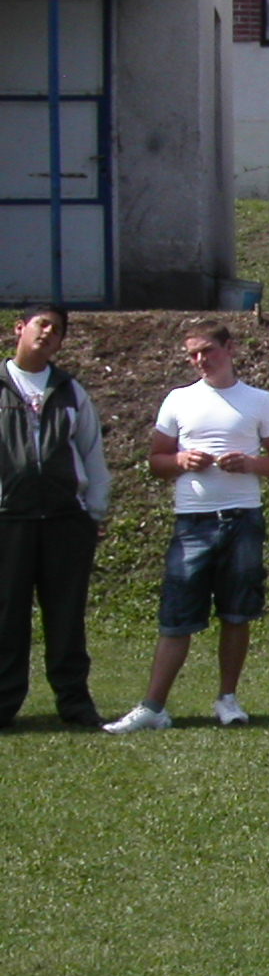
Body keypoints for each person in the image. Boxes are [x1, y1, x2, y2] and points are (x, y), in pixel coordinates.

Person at [105, 320, 269, 733]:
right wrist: (181, 461)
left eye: (207, 350)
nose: (200, 360)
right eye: (193, 354)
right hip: (192, 520)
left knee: (237, 613)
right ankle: (154, 706)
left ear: (229, 348)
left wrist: (250, 463)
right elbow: (157, 461)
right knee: (177, 615)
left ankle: (228, 699)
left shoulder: (258, 400)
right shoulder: (179, 400)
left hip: (243, 518)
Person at [0, 304, 110, 729]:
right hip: (8, 518)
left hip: (65, 520)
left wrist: (93, 511)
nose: (48, 333)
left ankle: (75, 703)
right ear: (20, 328)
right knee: (7, 615)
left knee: (66, 616)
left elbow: (91, 453)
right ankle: (4, 702)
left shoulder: (70, 391)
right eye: (41, 324)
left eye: (57, 330)